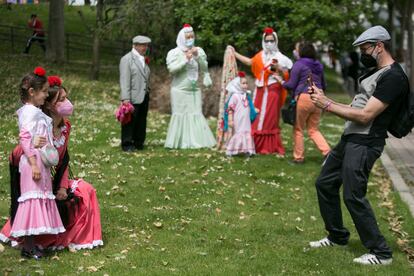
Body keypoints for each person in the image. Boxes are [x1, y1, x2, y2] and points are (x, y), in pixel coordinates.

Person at [308, 26, 409, 265]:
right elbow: (358, 107)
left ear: (379, 46)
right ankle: (337, 236)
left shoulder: (393, 77)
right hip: (350, 138)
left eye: (365, 49)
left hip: (366, 141)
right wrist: (327, 99)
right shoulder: (376, 71)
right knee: (325, 183)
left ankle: (381, 253)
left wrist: (326, 105)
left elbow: (365, 116)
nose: (363, 54)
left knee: (353, 195)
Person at [1, 76, 103, 251]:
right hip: (35, 175)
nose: (67, 103)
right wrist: (32, 146)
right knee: (34, 201)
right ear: (48, 104)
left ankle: (76, 235)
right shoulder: (37, 122)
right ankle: (32, 241)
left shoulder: (65, 127)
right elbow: (19, 152)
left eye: (66, 98)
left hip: (52, 179)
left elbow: (64, 160)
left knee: (86, 190)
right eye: (61, 100)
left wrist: (63, 187)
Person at [6, 67, 65, 259]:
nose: (47, 95)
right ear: (32, 92)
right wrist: (32, 163)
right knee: (32, 202)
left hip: (40, 160)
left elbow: (32, 136)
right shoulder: (30, 111)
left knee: (38, 200)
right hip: (33, 162)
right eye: (45, 91)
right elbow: (24, 138)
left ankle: (32, 244)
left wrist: (39, 142)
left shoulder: (33, 110)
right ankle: (28, 247)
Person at [228, 27, 293, 155]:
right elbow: (250, 62)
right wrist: (234, 53)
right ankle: (253, 145)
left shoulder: (281, 58)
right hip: (260, 91)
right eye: (267, 41)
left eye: (272, 41)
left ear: (276, 41)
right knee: (255, 116)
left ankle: (267, 146)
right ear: (263, 41)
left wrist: (278, 69)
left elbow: (288, 73)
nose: (269, 43)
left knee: (269, 118)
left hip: (273, 90)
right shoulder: (260, 56)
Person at [164, 24, 216, 149]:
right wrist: (185, 60)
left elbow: (205, 68)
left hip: (194, 89)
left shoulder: (199, 50)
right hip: (179, 89)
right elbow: (172, 70)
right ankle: (180, 142)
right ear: (181, 38)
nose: (190, 39)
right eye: (187, 37)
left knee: (196, 112)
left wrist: (197, 56)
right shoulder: (174, 52)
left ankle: (197, 141)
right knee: (180, 114)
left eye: (192, 36)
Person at [278, 42, 330, 163]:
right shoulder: (319, 65)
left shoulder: (299, 64)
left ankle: (298, 157)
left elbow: (291, 84)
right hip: (318, 97)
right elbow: (324, 84)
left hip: (304, 98)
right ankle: (327, 153)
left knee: (298, 129)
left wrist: (281, 81)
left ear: (301, 52)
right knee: (313, 129)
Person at [119, 35, 151, 152]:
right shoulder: (126, 59)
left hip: (144, 96)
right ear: (135, 45)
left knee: (142, 120)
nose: (145, 48)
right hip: (132, 96)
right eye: (142, 45)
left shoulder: (143, 59)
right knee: (129, 121)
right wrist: (125, 98)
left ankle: (139, 142)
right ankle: (127, 144)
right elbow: (124, 80)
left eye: (146, 45)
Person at [224, 71, 257, 156]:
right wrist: (230, 120)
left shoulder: (246, 95)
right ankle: (232, 150)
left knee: (247, 132)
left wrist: (254, 110)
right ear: (237, 85)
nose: (246, 85)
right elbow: (230, 108)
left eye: (246, 83)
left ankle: (247, 150)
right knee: (239, 132)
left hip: (245, 119)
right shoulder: (235, 96)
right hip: (238, 118)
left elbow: (248, 106)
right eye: (243, 83)